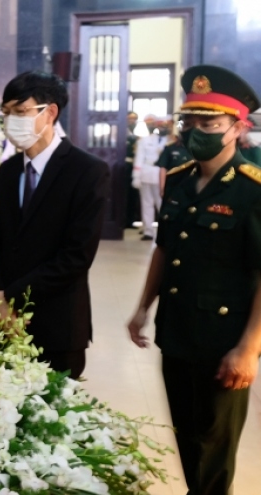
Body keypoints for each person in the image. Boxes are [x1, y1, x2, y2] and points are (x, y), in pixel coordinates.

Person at [127, 65, 261, 495]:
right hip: (179, 329)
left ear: (238, 127)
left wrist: (249, 349)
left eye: (211, 123)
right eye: (190, 121)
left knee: (215, 447)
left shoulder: (252, 190)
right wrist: (143, 308)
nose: (197, 130)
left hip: (224, 340)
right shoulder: (181, 180)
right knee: (186, 435)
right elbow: (164, 249)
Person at [0, 71, 110, 378]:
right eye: (7, 113)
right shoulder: (10, 170)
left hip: (57, 321)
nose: (11, 120)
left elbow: (76, 256)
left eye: (20, 112)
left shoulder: (87, 171)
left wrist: (13, 299)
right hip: (4, 322)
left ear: (49, 112)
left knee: (52, 416)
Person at [133, 115, 168, 240]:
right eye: (160, 125)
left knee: (162, 203)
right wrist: (136, 176)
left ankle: (165, 230)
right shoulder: (145, 140)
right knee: (146, 203)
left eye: (164, 126)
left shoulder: (172, 141)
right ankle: (148, 231)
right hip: (147, 172)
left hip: (163, 175)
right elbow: (139, 158)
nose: (162, 128)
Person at [155, 119, 193, 197]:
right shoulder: (170, 147)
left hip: (191, 186)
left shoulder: (198, 148)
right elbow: (163, 168)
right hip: (173, 186)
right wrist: (162, 188)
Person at [124, 111, 141, 229]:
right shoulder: (120, 132)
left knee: (132, 195)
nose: (132, 121)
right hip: (122, 166)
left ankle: (130, 220)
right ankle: (122, 220)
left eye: (134, 119)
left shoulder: (135, 136)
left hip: (133, 167)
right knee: (123, 194)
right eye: (130, 119)